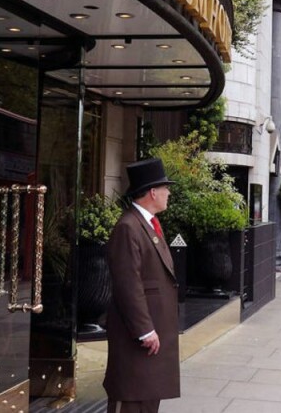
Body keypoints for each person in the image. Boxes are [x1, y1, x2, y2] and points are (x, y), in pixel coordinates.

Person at [104, 157, 179, 413]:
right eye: (165, 188)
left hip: (152, 338)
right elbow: (128, 283)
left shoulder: (146, 224)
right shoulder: (128, 227)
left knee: (146, 400)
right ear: (152, 192)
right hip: (137, 339)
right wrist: (145, 330)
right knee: (131, 401)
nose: (169, 193)